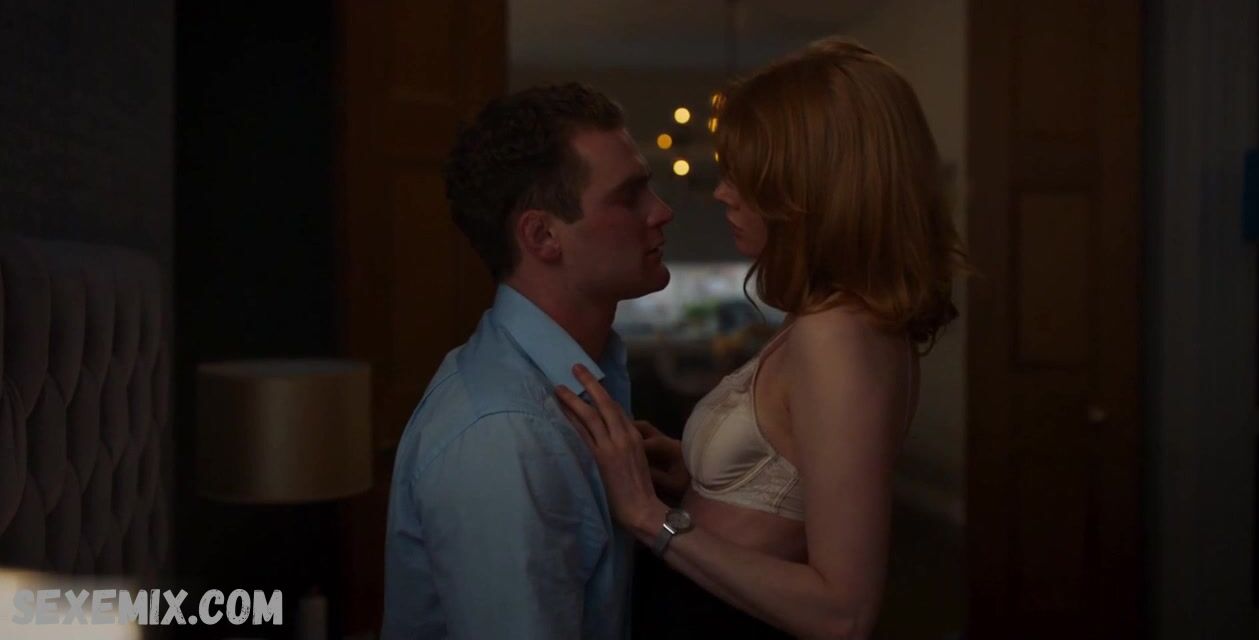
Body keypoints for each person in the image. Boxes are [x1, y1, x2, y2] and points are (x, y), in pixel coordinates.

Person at [556, 37, 969, 639]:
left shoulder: (838, 335)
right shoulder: (829, 316)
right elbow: (788, 482)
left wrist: (649, 516)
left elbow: (844, 614)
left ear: (808, 189)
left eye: (746, 175)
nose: (722, 192)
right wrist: (693, 473)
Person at [382, 83, 673, 639]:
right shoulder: (508, 436)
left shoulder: (577, 380)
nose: (662, 211)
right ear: (542, 235)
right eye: (629, 196)